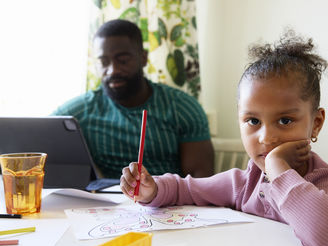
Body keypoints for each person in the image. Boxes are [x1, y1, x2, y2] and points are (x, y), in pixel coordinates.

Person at [119, 30, 328, 246]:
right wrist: (153, 190)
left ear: (316, 123)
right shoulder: (246, 183)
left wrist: (277, 167)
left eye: (284, 120)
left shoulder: (325, 181)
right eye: (253, 121)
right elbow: (188, 189)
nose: (266, 137)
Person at [52, 19, 214, 179]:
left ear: (143, 58)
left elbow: (200, 180)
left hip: (169, 202)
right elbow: (40, 136)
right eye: (103, 62)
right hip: (105, 202)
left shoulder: (182, 107)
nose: (112, 70)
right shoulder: (80, 111)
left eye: (123, 60)